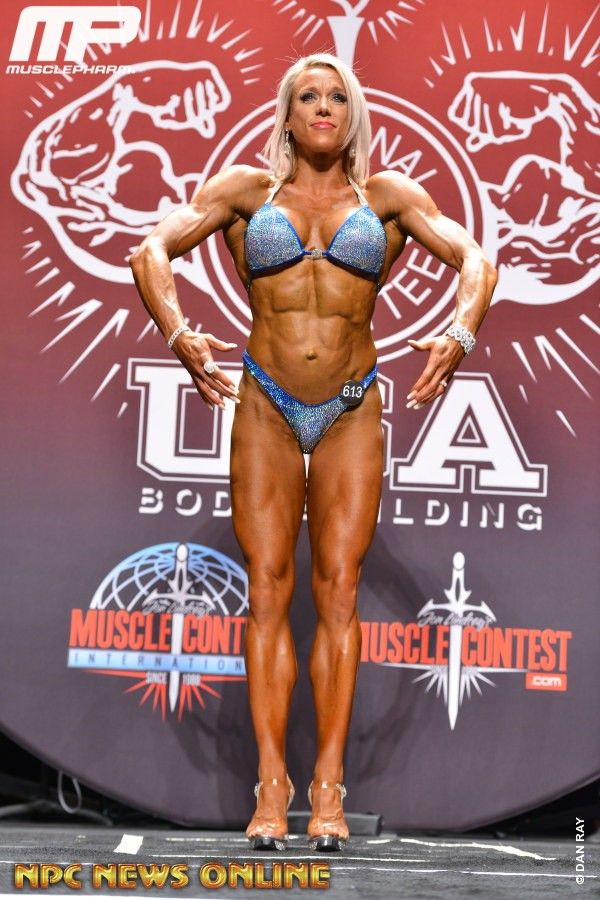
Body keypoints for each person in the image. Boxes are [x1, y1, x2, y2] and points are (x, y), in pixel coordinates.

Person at [130, 52, 497, 852]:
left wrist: (461, 332)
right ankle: (272, 785)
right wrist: (180, 333)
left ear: (352, 114)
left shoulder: (389, 198)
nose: (324, 106)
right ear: (287, 115)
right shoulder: (245, 192)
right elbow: (150, 251)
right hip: (266, 403)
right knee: (266, 593)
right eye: (308, 96)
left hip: (349, 408)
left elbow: (476, 259)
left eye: (337, 96)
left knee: (339, 593)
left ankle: (328, 786)